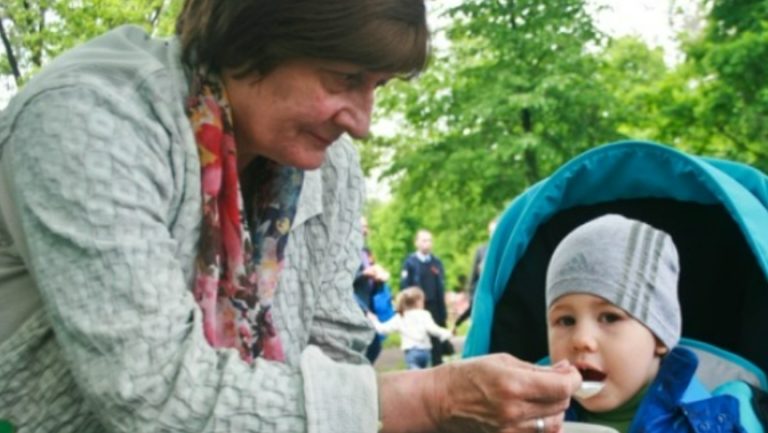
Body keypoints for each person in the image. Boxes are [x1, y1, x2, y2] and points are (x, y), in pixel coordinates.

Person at [0, 1, 582, 432]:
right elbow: (154, 396)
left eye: (376, 86)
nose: (362, 120)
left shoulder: (330, 166)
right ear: (254, 35)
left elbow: (331, 349)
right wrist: (429, 401)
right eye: (347, 78)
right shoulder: (92, 119)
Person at [545, 214, 746, 433]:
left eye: (610, 317)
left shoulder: (709, 425)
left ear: (660, 336)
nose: (581, 339)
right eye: (566, 320)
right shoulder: (528, 416)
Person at [367, 287, 452, 370]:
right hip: (425, 352)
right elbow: (434, 329)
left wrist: (374, 320)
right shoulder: (424, 314)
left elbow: (382, 329)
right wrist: (447, 333)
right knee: (423, 377)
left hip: (412, 353)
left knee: (414, 378)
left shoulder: (400, 316)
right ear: (418, 302)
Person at [399, 229, 450, 366]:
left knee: (436, 343)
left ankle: (438, 373)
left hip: (434, 308)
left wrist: (443, 313)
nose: (427, 244)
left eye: (429, 240)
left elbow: (441, 287)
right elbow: (404, 288)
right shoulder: (410, 263)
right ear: (416, 243)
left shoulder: (436, 262)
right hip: (416, 310)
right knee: (419, 343)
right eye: (424, 240)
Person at [354, 216, 394, 363]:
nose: (364, 230)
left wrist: (378, 279)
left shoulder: (365, 252)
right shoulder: (348, 250)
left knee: (374, 345)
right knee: (370, 345)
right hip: (355, 305)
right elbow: (343, 280)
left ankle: (363, 374)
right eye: (361, 226)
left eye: (366, 226)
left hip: (369, 303)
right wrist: (364, 274)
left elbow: (367, 280)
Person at [454, 217, 497, 332]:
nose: (494, 234)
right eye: (491, 231)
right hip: (483, 298)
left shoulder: (506, 250)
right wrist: (471, 297)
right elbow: (473, 277)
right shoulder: (481, 251)